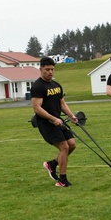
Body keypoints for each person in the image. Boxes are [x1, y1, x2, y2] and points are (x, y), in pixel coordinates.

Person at [32, 56, 78, 187]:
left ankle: (52, 164)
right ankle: (62, 180)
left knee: (72, 144)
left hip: (59, 120)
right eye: (47, 70)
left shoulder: (56, 85)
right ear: (41, 69)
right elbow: (37, 108)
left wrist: (71, 115)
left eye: (52, 69)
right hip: (46, 123)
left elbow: (62, 103)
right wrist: (53, 119)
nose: (50, 72)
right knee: (64, 147)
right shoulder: (38, 86)